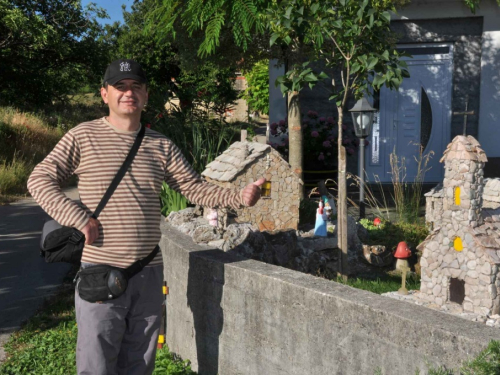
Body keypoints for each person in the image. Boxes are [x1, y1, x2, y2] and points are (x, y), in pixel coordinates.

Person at [27, 59, 265, 375]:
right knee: (96, 364)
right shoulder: (82, 137)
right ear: (104, 94)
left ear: (146, 95)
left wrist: (239, 197)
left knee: (140, 363)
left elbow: (194, 189)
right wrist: (79, 218)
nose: (129, 93)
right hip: (100, 269)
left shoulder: (161, 145)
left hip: (148, 273)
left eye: (136, 86)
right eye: (120, 86)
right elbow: (39, 179)